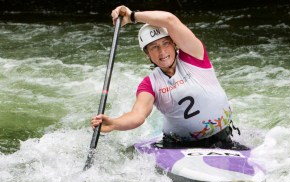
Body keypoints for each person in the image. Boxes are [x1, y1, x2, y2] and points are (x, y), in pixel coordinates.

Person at [91, 5, 244, 149]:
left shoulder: (194, 55)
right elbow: (137, 115)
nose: (162, 52)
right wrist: (114, 123)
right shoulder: (149, 84)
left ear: (174, 44)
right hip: (179, 147)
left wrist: (132, 16)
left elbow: (170, 20)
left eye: (165, 44)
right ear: (147, 54)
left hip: (224, 138)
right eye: (154, 47)